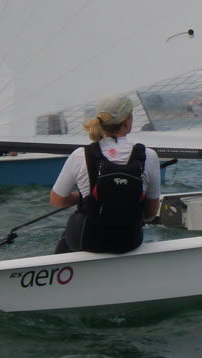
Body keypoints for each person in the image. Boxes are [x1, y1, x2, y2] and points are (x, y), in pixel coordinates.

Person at [50, 94, 161, 254]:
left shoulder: (81, 155)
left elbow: (57, 200)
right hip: (128, 242)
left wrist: (83, 198)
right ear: (126, 122)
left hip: (88, 241)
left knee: (69, 232)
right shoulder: (148, 156)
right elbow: (151, 212)